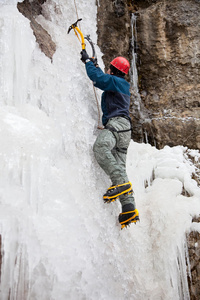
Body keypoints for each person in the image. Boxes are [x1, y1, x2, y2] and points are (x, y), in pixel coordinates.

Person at [80, 50, 139, 229]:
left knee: (100, 147)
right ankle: (129, 207)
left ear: (113, 70)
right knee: (120, 166)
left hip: (117, 125)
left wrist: (88, 62)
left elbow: (98, 79)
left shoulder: (116, 81)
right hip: (125, 130)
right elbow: (104, 77)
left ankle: (121, 185)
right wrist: (96, 65)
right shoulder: (121, 84)